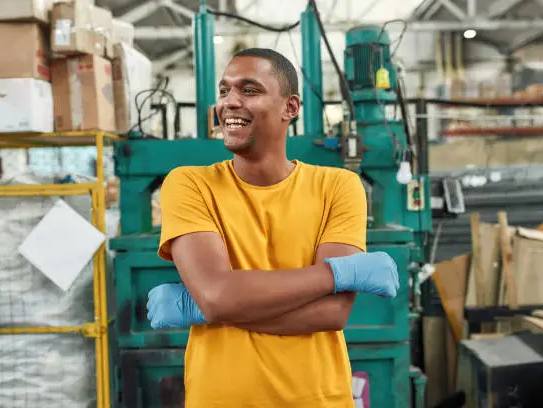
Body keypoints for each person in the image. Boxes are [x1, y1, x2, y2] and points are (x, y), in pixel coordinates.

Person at [146, 48, 399, 408]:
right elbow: (217, 295)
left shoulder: (338, 186)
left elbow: (332, 313)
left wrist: (213, 305)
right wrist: (338, 275)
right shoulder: (189, 184)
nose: (229, 102)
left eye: (249, 90)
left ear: (290, 108)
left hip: (318, 400)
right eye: (224, 91)